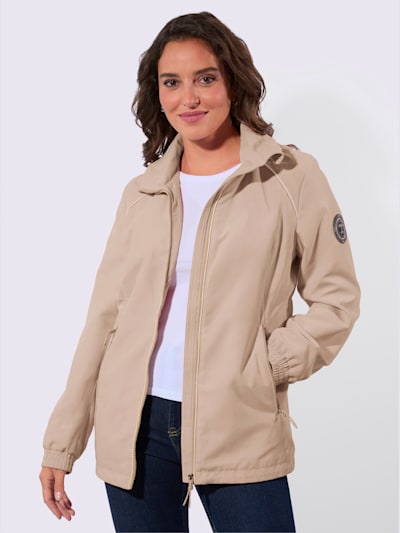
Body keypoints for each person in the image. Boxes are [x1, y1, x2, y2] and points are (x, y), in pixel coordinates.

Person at [39, 11, 360, 533]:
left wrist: (265, 365)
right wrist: (62, 442)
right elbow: (103, 320)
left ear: (232, 81)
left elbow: (337, 299)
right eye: (172, 82)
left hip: (240, 423)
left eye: (205, 78)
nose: (188, 98)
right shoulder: (143, 193)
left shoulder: (290, 176)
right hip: (136, 429)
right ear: (157, 93)